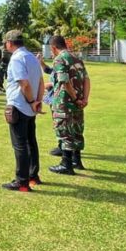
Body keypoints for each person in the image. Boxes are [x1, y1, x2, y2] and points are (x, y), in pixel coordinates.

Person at [1, 30, 44, 192]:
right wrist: (37, 101)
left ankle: (22, 181)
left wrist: (33, 101)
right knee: (31, 143)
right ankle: (33, 175)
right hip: (30, 107)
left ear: (10, 43)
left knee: (20, 145)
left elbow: (24, 84)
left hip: (19, 105)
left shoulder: (17, 58)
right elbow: (40, 81)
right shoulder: (32, 57)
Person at [47, 35, 91, 175]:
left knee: (65, 130)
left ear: (53, 47)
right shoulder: (77, 58)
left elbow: (64, 82)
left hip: (65, 102)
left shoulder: (59, 59)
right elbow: (87, 80)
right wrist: (84, 98)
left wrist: (75, 98)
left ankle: (66, 164)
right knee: (76, 129)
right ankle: (76, 161)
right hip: (78, 101)